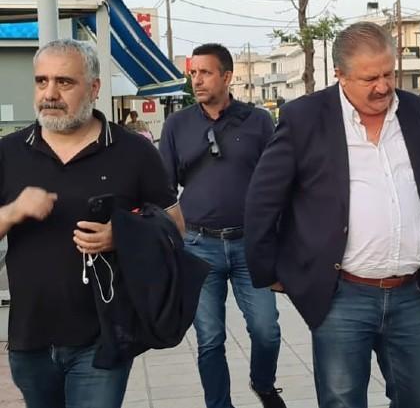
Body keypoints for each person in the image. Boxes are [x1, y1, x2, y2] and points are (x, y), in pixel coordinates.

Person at [244, 22, 420, 408]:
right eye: (370, 78)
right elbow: (263, 199)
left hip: (412, 292)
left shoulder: (418, 111)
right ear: (340, 75)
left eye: (388, 74)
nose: (383, 87)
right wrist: (269, 270)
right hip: (342, 294)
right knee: (341, 399)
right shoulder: (305, 117)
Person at [0, 39, 183, 408]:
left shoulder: (134, 151)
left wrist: (123, 235)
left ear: (94, 87)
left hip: (104, 337)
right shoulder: (8, 152)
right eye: (41, 81)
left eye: (64, 82)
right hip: (30, 339)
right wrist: (12, 212)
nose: (50, 94)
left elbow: (176, 227)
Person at [159, 43, 284, 408]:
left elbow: (276, 181)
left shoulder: (258, 121)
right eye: (193, 73)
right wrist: (173, 241)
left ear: (227, 76)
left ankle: (263, 384)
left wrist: (279, 243)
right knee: (210, 338)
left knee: (267, 330)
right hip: (198, 246)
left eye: (205, 73)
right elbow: (163, 189)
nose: (196, 80)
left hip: (250, 246)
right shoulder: (177, 125)